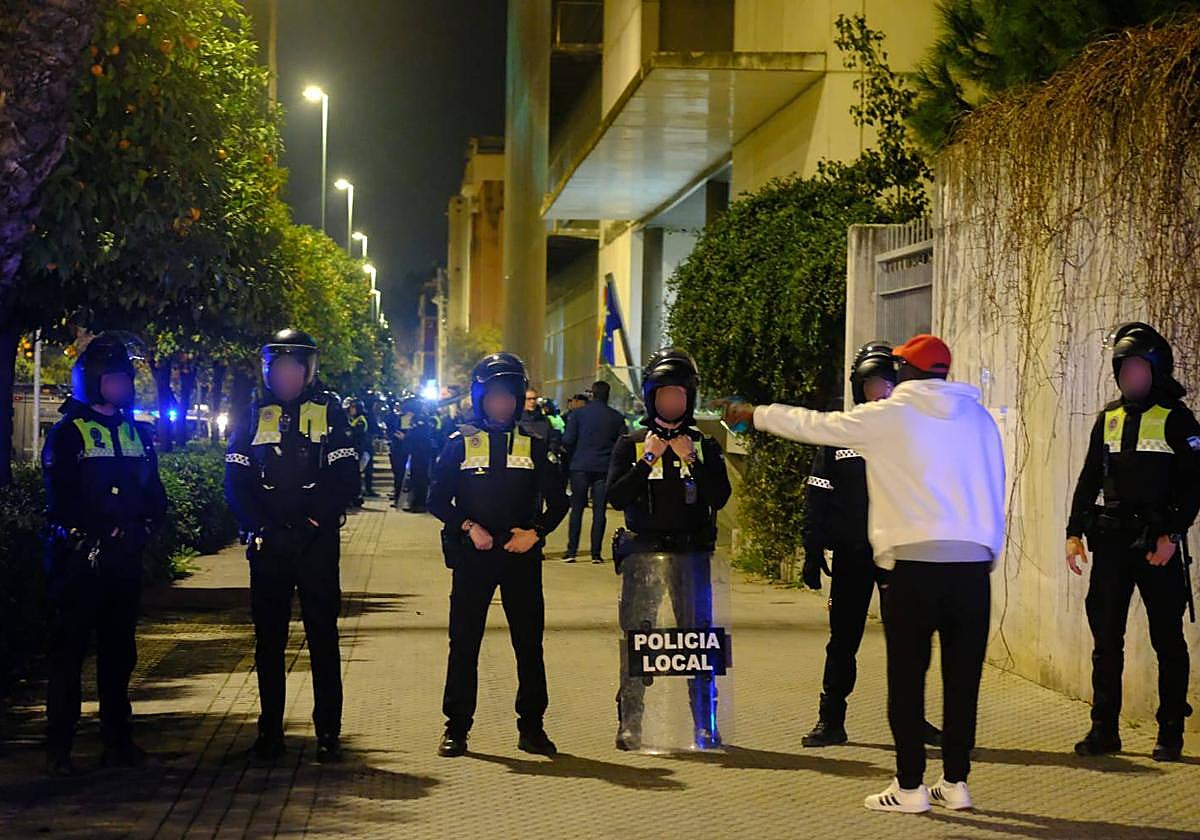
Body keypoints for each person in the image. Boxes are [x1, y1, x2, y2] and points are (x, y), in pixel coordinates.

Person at [724, 334, 1005, 814]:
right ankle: (956, 783)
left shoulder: (889, 415)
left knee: (907, 678)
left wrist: (755, 413)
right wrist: (989, 551)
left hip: (915, 568)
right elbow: (997, 484)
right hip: (973, 569)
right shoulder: (979, 418)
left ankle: (911, 789)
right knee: (962, 683)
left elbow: (815, 425)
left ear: (906, 372)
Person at [224, 328, 361, 764]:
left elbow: (345, 478)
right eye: (277, 368)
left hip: (316, 544)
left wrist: (312, 521)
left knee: (323, 637)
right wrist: (260, 525)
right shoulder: (250, 415)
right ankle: (270, 733)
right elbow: (235, 480)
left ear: (307, 372)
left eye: (293, 369)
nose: (284, 376)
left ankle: (328, 733)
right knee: (269, 642)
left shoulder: (330, 413)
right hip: (268, 545)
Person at [1066, 322, 1200, 762]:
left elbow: (1194, 487)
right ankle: (1104, 730)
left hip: (1158, 546)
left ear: (1156, 371)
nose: (1131, 377)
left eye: (1139, 368)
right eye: (1125, 369)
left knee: (1167, 640)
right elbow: (1088, 478)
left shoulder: (1178, 419)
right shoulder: (1109, 418)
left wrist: (1173, 535)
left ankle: (1170, 732)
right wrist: (1073, 532)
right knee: (1106, 641)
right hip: (1110, 544)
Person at [800, 342, 943, 750]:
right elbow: (817, 491)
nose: (876, 391)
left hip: (900, 555)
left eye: (884, 383)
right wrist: (812, 547)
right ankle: (831, 720)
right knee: (843, 638)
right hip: (853, 553)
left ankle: (913, 722)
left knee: (910, 640)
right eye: (869, 384)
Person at [429, 352, 569, 758]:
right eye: (493, 397)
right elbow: (436, 498)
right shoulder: (460, 443)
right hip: (475, 555)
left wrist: (536, 533)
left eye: (508, 397)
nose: (501, 405)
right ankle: (456, 728)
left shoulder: (535, 444)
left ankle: (532, 727)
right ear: (480, 398)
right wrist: (468, 527)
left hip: (519, 555)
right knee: (464, 643)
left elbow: (559, 503)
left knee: (529, 644)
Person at [41, 333, 167, 776]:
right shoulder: (67, 433)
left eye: (123, 379)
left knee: (120, 654)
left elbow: (154, 493)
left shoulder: (136, 432)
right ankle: (59, 746)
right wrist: (93, 529)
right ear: (91, 381)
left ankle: (118, 740)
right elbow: (61, 496)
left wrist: (144, 528)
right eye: (111, 379)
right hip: (78, 561)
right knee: (68, 654)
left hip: (122, 562)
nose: (119, 386)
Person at [607, 348, 732, 751]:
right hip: (644, 556)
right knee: (638, 641)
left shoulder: (703, 445)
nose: (671, 403)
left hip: (692, 555)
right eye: (664, 396)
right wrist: (648, 460)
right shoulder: (631, 443)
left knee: (697, 643)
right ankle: (631, 723)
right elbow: (616, 495)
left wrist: (691, 459)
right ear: (651, 398)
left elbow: (720, 495)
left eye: (678, 395)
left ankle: (704, 723)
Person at [562, 381, 628, 563]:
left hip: (580, 465)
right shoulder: (616, 417)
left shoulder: (578, 414)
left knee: (577, 509)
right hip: (604, 467)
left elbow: (568, 439)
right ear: (608, 395)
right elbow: (623, 444)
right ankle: (596, 554)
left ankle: (572, 551)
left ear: (592, 394)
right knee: (600, 511)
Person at [344, 397, 370, 506]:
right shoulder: (352, 419)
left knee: (355, 475)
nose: (351, 410)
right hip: (352, 451)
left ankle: (356, 497)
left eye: (353, 408)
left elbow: (353, 433)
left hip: (358, 451)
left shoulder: (360, 420)